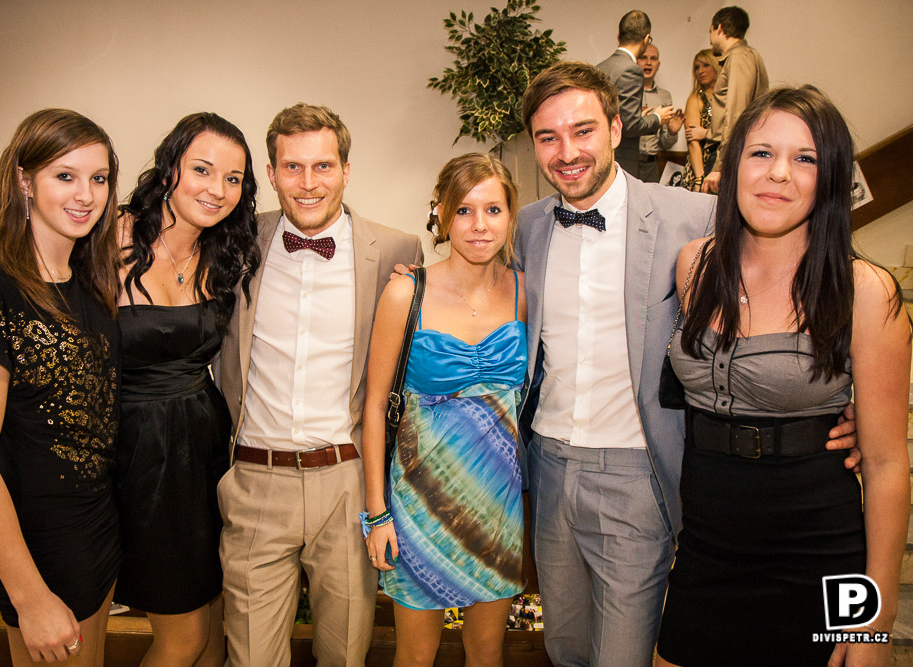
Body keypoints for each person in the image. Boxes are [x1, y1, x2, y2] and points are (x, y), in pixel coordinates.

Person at [511, 62, 860, 667]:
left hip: (639, 468)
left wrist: (840, 401)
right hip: (547, 464)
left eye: (583, 130)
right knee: (563, 646)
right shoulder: (527, 227)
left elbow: (806, 279)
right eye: (549, 137)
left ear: (616, 128)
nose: (567, 152)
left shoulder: (693, 218)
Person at [655, 86, 910, 667]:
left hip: (816, 554)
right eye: (762, 153)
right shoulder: (694, 264)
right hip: (705, 549)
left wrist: (875, 620)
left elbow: (887, 465)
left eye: (805, 158)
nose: (778, 174)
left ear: (830, 178)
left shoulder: (866, 292)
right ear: (734, 164)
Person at [215, 103, 423, 667]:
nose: (308, 183)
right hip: (256, 481)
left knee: (346, 654)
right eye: (292, 167)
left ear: (346, 171)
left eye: (323, 166)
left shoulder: (397, 251)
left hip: (347, 483)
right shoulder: (235, 244)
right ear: (272, 172)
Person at [0, 109, 122, 665]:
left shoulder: (86, 278)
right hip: (38, 548)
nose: (86, 194)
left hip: (97, 530)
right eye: (65, 176)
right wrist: (29, 595)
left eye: (98, 178)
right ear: (24, 181)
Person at [364, 153, 527, 667]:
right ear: (441, 214)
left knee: (487, 654)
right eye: (464, 210)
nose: (480, 225)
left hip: (498, 506)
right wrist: (376, 514)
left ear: (510, 216)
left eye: (493, 210)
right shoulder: (405, 291)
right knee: (415, 656)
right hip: (418, 504)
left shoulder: (524, 292)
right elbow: (374, 407)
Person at [113, 113, 260, 666]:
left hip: (205, 452)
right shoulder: (108, 238)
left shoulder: (226, 253)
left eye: (232, 178)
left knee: (214, 624)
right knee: (184, 637)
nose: (217, 189)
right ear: (169, 169)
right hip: (133, 456)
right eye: (202, 170)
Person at [597, 10, 675, 177]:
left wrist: (637, 116)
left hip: (602, 155)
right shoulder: (631, 70)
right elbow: (630, 127)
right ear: (646, 39)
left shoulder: (601, 67)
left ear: (619, 36)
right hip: (624, 161)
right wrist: (658, 118)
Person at [699, 6, 769, 194]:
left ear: (719, 28)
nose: (710, 39)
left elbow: (737, 112)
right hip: (736, 152)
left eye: (710, 31)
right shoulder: (749, 55)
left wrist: (720, 165)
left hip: (729, 154)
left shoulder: (739, 57)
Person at [636, 44, 683, 183]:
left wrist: (672, 132)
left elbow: (664, 144)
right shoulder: (626, 93)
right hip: (628, 162)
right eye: (644, 58)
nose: (648, 62)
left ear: (658, 64)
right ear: (636, 61)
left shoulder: (664, 97)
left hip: (652, 165)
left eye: (653, 58)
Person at [680, 49, 723, 191]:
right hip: (701, 164)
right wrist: (700, 177)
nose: (701, 71)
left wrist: (706, 133)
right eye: (697, 67)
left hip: (723, 162)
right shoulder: (695, 99)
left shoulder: (728, 98)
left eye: (706, 65)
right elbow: (692, 141)